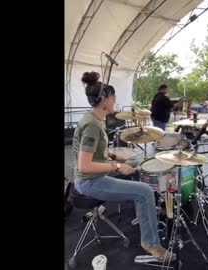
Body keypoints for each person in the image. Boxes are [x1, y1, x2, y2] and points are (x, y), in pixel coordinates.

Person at [72, 71, 176, 262]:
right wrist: (116, 165)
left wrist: (114, 157)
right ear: (104, 99)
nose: (115, 101)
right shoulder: (92, 125)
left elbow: (94, 153)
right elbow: (84, 166)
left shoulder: (94, 119)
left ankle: (145, 212)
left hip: (95, 175)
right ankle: (151, 244)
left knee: (139, 164)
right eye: (113, 97)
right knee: (144, 190)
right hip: (88, 182)